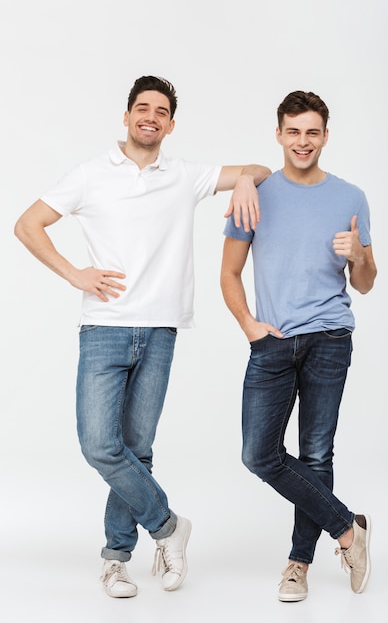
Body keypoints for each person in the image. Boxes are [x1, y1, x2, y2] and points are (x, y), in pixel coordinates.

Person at [14, 75, 271, 598]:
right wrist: (74, 273)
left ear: (171, 124)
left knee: (136, 447)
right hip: (104, 329)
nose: (150, 116)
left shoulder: (184, 175)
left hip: (161, 328)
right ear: (127, 116)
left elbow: (260, 169)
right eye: (142, 108)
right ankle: (169, 527)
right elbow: (27, 224)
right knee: (98, 444)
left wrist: (245, 180)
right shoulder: (91, 174)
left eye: (161, 110)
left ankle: (115, 558)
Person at [220, 90, 377, 602]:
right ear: (279, 134)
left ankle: (298, 563)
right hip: (274, 339)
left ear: (325, 136)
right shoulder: (256, 192)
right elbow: (229, 272)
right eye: (294, 131)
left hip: (331, 336)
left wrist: (359, 257)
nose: (303, 141)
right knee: (257, 453)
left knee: (316, 452)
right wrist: (249, 324)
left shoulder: (350, 197)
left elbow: (368, 281)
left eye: (312, 132)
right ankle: (349, 530)